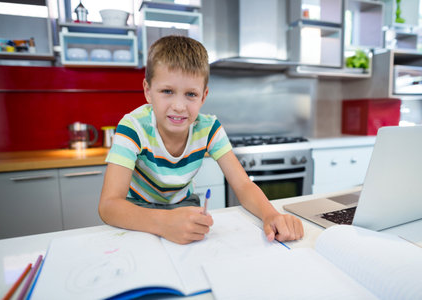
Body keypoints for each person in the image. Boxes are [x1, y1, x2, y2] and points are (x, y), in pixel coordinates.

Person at [98, 35, 304, 245]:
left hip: (183, 206)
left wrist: (270, 214)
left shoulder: (209, 128)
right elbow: (109, 206)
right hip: (138, 212)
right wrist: (163, 222)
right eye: (167, 91)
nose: (179, 106)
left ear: (203, 96)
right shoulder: (133, 127)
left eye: (191, 94)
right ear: (148, 91)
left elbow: (242, 184)